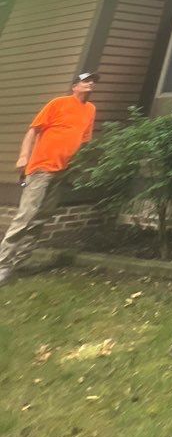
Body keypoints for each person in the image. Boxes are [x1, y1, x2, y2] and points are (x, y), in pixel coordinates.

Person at [0, 71, 98, 285]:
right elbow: (33, 130)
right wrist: (23, 156)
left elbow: (83, 140)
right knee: (26, 216)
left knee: (41, 218)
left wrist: (76, 164)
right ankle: (2, 265)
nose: (90, 83)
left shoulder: (90, 109)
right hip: (41, 167)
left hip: (62, 171)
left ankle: (19, 262)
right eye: (86, 81)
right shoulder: (58, 103)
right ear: (75, 86)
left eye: (93, 81)